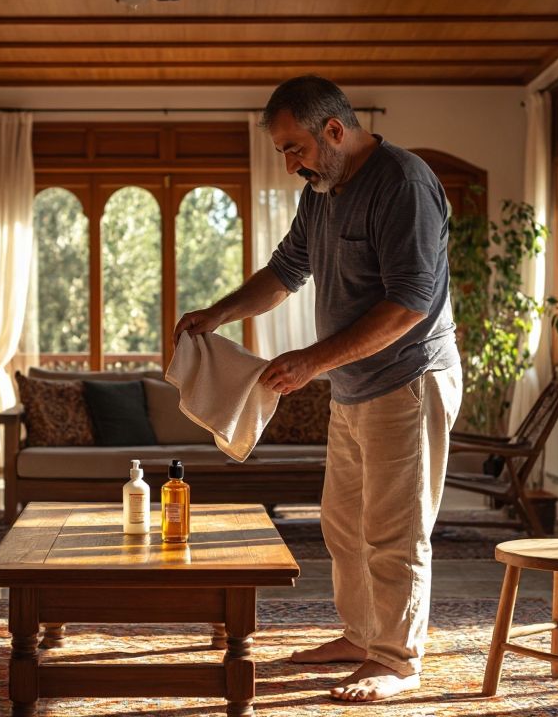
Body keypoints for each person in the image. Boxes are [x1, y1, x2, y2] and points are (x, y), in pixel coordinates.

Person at [175, 75, 461, 702]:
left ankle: (396, 659)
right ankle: (361, 636)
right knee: (343, 526)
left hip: (409, 381)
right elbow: (284, 273)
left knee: (394, 529)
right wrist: (218, 314)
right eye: (282, 151)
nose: (289, 165)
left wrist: (310, 361)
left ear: (334, 129)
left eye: (294, 148)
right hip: (353, 384)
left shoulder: (402, 184)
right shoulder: (322, 192)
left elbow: (409, 304)